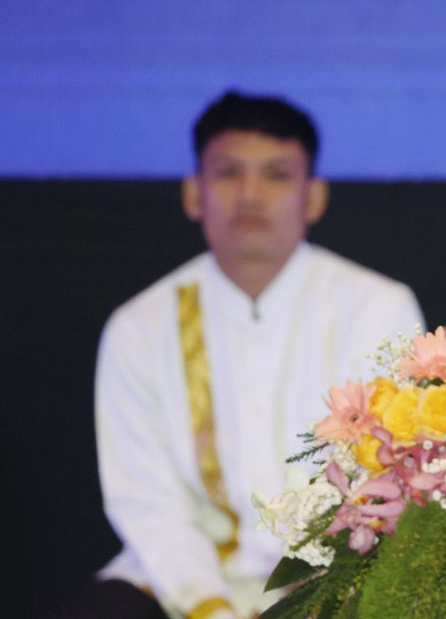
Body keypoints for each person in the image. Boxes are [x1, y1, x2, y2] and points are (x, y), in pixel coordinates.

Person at [82, 91, 424, 619]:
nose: (250, 194)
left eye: (276, 175)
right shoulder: (139, 327)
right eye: (228, 173)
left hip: (328, 579)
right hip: (174, 585)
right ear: (194, 193)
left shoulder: (377, 309)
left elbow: (388, 476)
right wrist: (209, 608)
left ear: (314, 196)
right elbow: (147, 503)